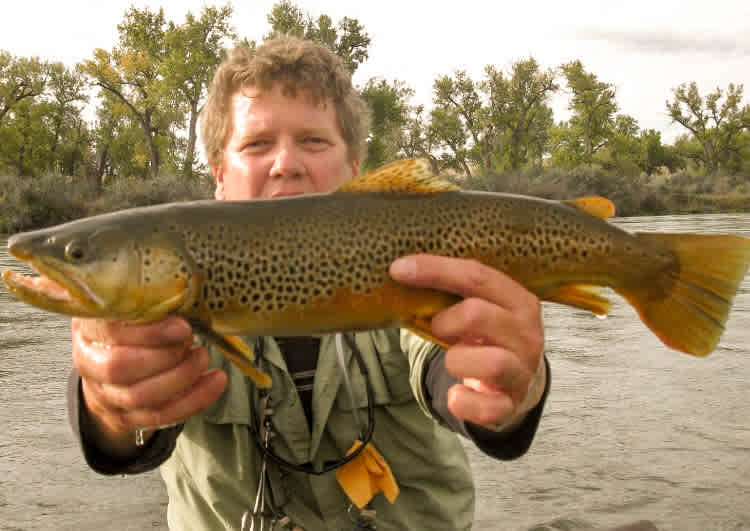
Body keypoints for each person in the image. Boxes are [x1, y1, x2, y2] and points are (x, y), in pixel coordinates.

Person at [68, 35, 549, 530]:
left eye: (313, 141)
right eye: (257, 144)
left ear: (354, 168)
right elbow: (123, 432)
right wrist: (108, 407)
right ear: (219, 177)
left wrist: (514, 385)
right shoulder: (173, 287)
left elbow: (455, 374)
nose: (286, 164)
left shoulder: (416, 265)